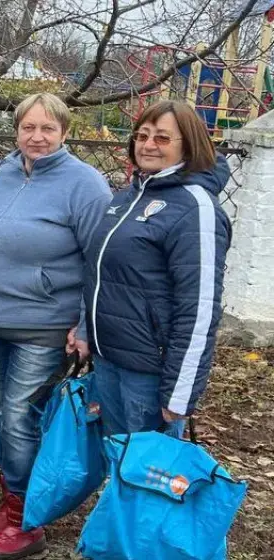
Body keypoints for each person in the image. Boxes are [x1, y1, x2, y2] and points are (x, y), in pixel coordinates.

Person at [0, 93, 112, 559]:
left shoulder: (85, 184)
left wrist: (85, 325)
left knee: (19, 420)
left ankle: (27, 521)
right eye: (29, 127)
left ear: (64, 132)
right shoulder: (5, 172)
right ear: (17, 130)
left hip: (42, 324)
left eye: (48, 128)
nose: (37, 137)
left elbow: (99, 261)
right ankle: (12, 505)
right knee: (4, 414)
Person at [84, 100, 231, 438]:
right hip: (109, 357)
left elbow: (200, 309)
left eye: (163, 138)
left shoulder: (196, 207)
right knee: (119, 462)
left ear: (189, 145)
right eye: (142, 135)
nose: (148, 145)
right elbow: (101, 274)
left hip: (150, 371)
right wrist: (85, 331)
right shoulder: (127, 197)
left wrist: (180, 392)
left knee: (149, 478)